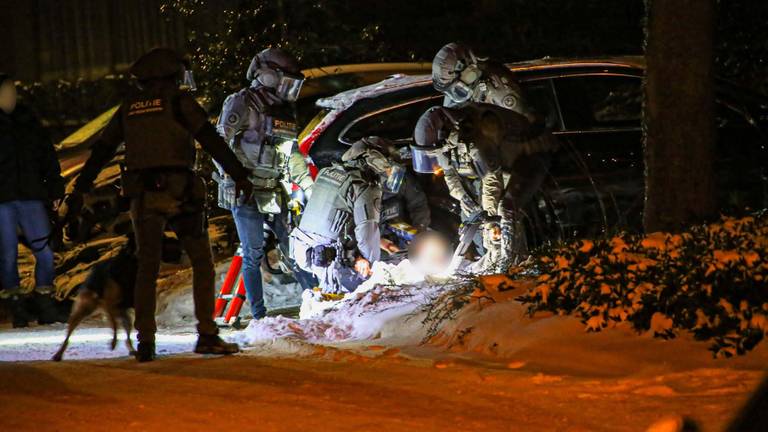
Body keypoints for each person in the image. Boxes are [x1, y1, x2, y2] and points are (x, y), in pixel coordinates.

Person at [68, 48, 253, 362]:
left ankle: (146, 343)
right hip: (181, 195)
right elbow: (211, 140)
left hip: (144, 198)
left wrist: (79, 189)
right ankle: (207, 334)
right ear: (170, 76)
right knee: (202, 263)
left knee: (146, 267)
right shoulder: (179, 103)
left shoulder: (129, 108)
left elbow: (101, 150)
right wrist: (239, 175)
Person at [214, 47, 317, 321]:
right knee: (253, 253)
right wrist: (230, 178)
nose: (291, 87)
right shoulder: (241, 102)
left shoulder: (283, 110)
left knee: (293, 248)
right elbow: (219, 143)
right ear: (268, 74)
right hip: (246, 189)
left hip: (274, 188)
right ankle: (261, 318)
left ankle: (317, 304)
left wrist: (307, 184)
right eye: (287, 79)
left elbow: (291, 152)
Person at [412, 104, 557, 271]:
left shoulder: (478, 134)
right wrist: (464, 198)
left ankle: (513, 263)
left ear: (443, 133)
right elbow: (450, 174)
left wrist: (489, 217)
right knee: (477, 215)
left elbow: (492, 180)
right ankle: (493, 259)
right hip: (500, 165)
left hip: (529, 156)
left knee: (505, 209)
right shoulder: (445, 143)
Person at [289, 137, 405, 294]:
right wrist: (368, 265)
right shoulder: (365, 185)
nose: (389, 173)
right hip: (332, 261)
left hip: (305, 251)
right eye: (389, 167)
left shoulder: (327, 172)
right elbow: (366, 232)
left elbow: (337, 219)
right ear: (376, 161)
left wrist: (377, 244)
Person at [0, 73, 67, 327]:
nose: (10, 96)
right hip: (3, 199)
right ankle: (16, 305)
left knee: (45, 252)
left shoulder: (28, 121)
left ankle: (44, 300)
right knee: (6, 255)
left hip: (29, 196)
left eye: (12, 91)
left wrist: (55, 188)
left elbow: (47, 156)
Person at [432, 42, 531, 117]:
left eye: (457, 87)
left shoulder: (500, 90)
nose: (453, 95)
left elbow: (523, 125)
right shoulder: (461, 88)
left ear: (470, 71)